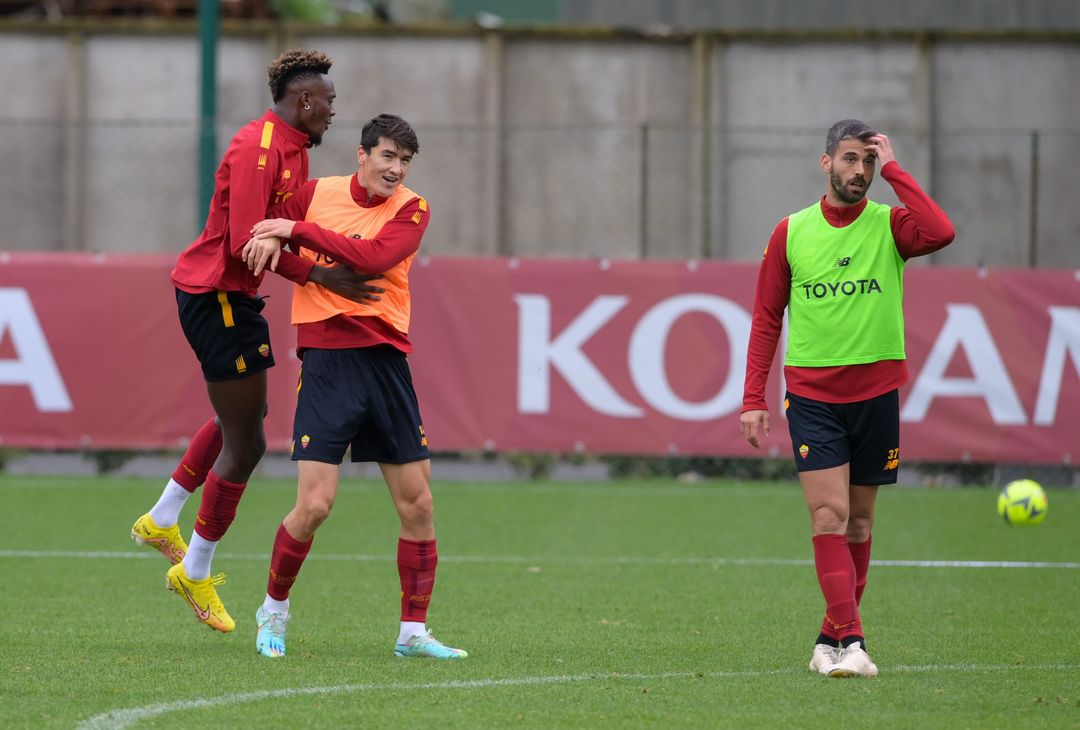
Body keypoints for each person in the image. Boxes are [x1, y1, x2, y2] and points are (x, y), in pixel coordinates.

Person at [129, 49, 381, 633]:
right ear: (304, 100)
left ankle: (163, 517)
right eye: (330, 102)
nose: (334, 113)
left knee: (239, 420)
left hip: (232, 297)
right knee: (247, 446)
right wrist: (322, 273)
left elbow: (285, 225)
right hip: (215, 294)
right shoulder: (258, 148)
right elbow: (249, 240)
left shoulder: (292, 151)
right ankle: (194, 569)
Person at [240, 114, 467, 660]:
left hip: (387, 362)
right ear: (360, 154)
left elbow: (373, 258)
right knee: (315, 505)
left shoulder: (413, 207)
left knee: (418, 504)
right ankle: (272, 613)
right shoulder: (316, 193)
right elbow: (263, 234)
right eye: (387, 156)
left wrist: (293, 233)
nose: (396, 169)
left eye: (405, 161)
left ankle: (412, 633)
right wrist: (293, 256)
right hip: (328, 363)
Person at [739, 120, 954, 678]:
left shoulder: (891, 225)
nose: (860, 172)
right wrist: (752, 397)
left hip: (877, 393)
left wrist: (897, 169)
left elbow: (941, 232)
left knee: (858, 524)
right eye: (850, 160)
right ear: (826, 162)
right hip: (811, 395)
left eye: (868, 162)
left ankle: (826, 639)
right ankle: (853, 641)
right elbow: (765, 318)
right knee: (828, 515)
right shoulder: (791, 232)